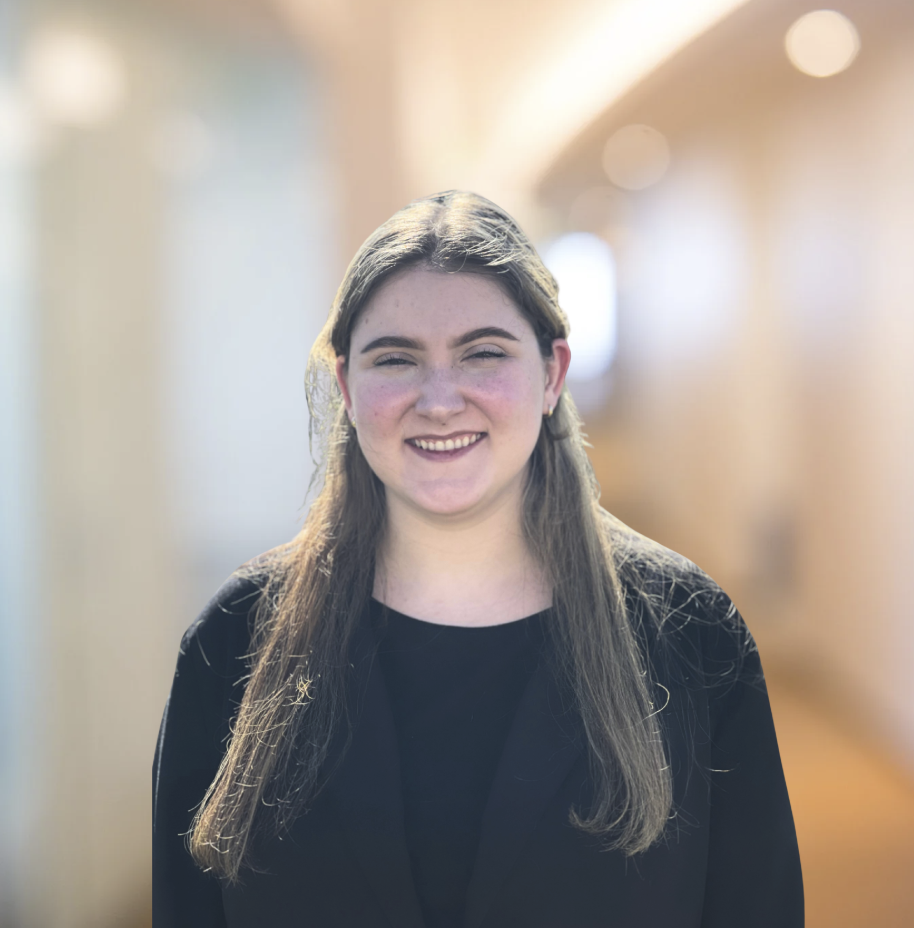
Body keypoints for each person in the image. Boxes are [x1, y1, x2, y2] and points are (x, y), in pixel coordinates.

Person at [152, 190, 803, 928]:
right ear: (347, 388)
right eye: (395, 359)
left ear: (552, 374)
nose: (439, 399)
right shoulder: (235, 641)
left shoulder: (690, 635)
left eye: (483, 353)